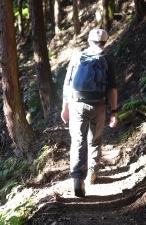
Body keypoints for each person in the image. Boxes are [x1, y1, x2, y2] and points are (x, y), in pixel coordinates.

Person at [60, 28, 119, 198]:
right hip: (98, 105)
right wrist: (114, 111)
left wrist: (65, 106)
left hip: (77, 104)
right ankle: (92, 173)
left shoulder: (77, 56)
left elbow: (68, 83)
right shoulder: (107, 59)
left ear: (89, 41)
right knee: (95, 139)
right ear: (105, 42)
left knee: (78, 140)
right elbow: (112, 88)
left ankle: (78, 179)